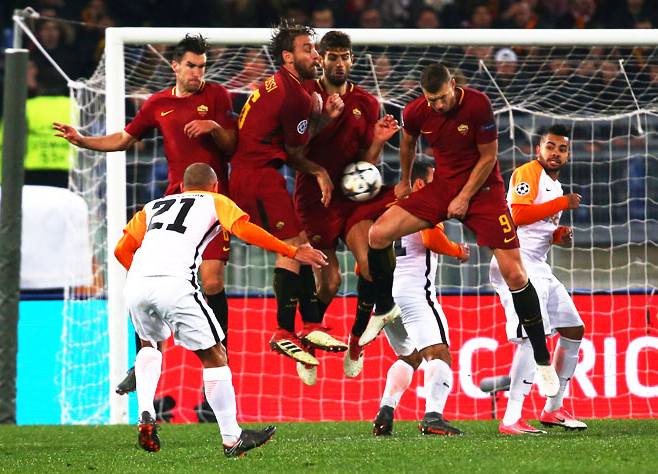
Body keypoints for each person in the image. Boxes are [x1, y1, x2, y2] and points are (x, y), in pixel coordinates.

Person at [53, 34, 238, 393]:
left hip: (214, 201)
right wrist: (83, 141)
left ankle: (220, 355)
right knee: (144, 275)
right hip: (173, 200)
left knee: (212, 281)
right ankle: (143, 361)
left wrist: (214, 127)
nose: (197, 72)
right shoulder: (157, 104)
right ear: (175, 66)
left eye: (202, 66)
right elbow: (124, 139)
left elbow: (233, 146)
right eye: (191, 65)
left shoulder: (216, 96)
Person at [364, 63, 560, 398]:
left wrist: (465, 196)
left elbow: (488, 157)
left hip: (484, 192)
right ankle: (384, 307)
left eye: (441, 98)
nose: (437, 105)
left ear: (453, 86)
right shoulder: (416, 111)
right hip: (442, 187)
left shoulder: (478, 103)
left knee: (515, 274)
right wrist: (406, 180)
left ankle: (542, 361)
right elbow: (407, 141)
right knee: (377, 235)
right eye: (431, 100)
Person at [114, 163, 327, 454]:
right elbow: (243, 229)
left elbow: (120, 250)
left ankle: (146, 414)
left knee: (149, 347)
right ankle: (232, 438)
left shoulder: (153, 206)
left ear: (181, 187)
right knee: (216, 356)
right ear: (214, 186)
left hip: (136, 283)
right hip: (175, 283)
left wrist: (144, 275)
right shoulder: (217, 200)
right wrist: (291, 250)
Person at [229, 21, 343, 366]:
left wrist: (320, 113)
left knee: (300, 243)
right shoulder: (292, 96)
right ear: (287, 56)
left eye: (315, 48)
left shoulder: (291, 84)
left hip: (258, 173)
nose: (316, 54)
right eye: (308, 49)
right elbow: (296, 155)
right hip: (257, 178)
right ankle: (286, 329)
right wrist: (321, 167)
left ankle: (307, 324)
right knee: (294, 247)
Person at [295, 30, 400, 384]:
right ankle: (307, 341)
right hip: (315, 194)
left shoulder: (367, 104)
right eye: (332, 57)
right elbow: (292, 149)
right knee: (331, 282)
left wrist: (380, 143)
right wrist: (323, 121)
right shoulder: (307, 97)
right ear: (320, 59)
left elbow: (365, 161)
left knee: (370, 265)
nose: (338, 63)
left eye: (344, 57)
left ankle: (357, 341)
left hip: (352, 196)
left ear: (352, 59)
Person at [490, 125, 587, 434]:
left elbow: (538, 228)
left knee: (573, 328)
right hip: (516, 264)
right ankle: (511, 418)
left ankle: (553, 409)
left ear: (568, 154)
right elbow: (517, 215)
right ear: (538, 150)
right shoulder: (528, 173)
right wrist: (562, 205)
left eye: (561, 149)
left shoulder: (555, 187)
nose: (555, 153)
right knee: (535, 338)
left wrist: (558, 235)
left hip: (539, 264)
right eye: (550, 147)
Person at [372, 162, 470, 437]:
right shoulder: (424, 205)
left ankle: (385, 411)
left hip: (387, 297)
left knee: (410, 355)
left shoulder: (387, 212)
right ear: (418, 185)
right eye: (433, 180)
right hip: (416, 291)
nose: (439, 187)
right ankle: (433, 417)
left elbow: (363, 264)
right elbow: (431, 239)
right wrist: (457, 250)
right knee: (439, 353)